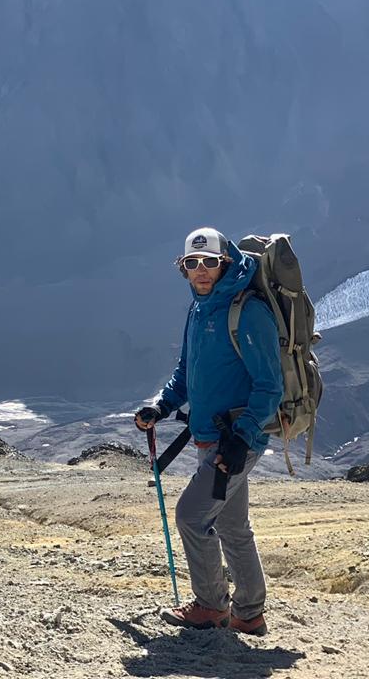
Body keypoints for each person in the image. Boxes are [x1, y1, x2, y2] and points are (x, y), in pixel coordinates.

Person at [134, 227, 283, 636]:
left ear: (226, 263)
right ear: (183, 269)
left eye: (210, 262)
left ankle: (211, 606)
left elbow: (271, 385)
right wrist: (161, 405)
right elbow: (187, 372)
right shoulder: (199, 309)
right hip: (211, 438)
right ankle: (249, 615)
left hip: (235, 442)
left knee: (191, 516)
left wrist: (242, 438)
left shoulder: (247, 311)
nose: (201, 270)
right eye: (192, 263)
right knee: (233, 527)